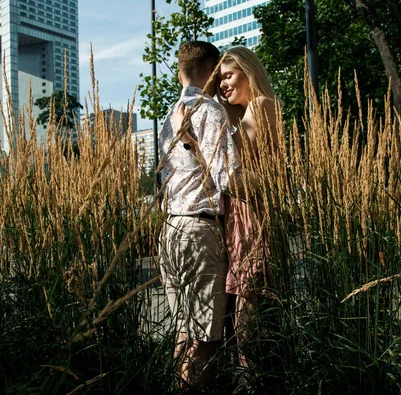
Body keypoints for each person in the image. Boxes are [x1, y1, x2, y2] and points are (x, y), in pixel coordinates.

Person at [172, 45, 279, 382]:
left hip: (250, 220)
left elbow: (258, 177)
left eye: (228, 76)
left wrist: (191, 141)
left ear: (249, 72)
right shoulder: (234, 114)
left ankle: (253, 384)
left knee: (246, 323)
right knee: (229, 324)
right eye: (218, 79)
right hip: (232, 220)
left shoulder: (262, 106)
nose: (222, 85)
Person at [158, 40, 242, 387]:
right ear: (210, 71)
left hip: (170, 230)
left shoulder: (169, 115)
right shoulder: (209, 110)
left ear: (181, 71)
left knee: (184, 331)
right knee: (205, 339)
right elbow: (228, 177)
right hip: (198, 230)